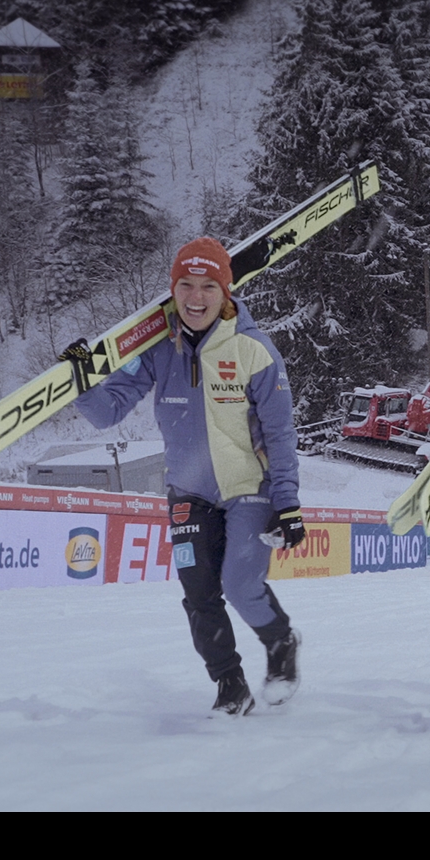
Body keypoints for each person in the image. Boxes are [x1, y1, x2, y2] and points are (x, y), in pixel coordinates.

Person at [68, 238, 304, 718]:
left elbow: (280, 433)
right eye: (185, 286)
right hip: (188, 491)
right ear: (173, 289)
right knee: (198, 593)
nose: (196, 298)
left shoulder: (255, 350)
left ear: (226, 291)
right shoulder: (158, 349)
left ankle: (281, 642)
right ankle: (230, 685)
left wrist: (288, 502)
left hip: (248, 491)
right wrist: (82, 382)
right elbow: (108, 412)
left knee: (239, 585)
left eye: (207, 287)